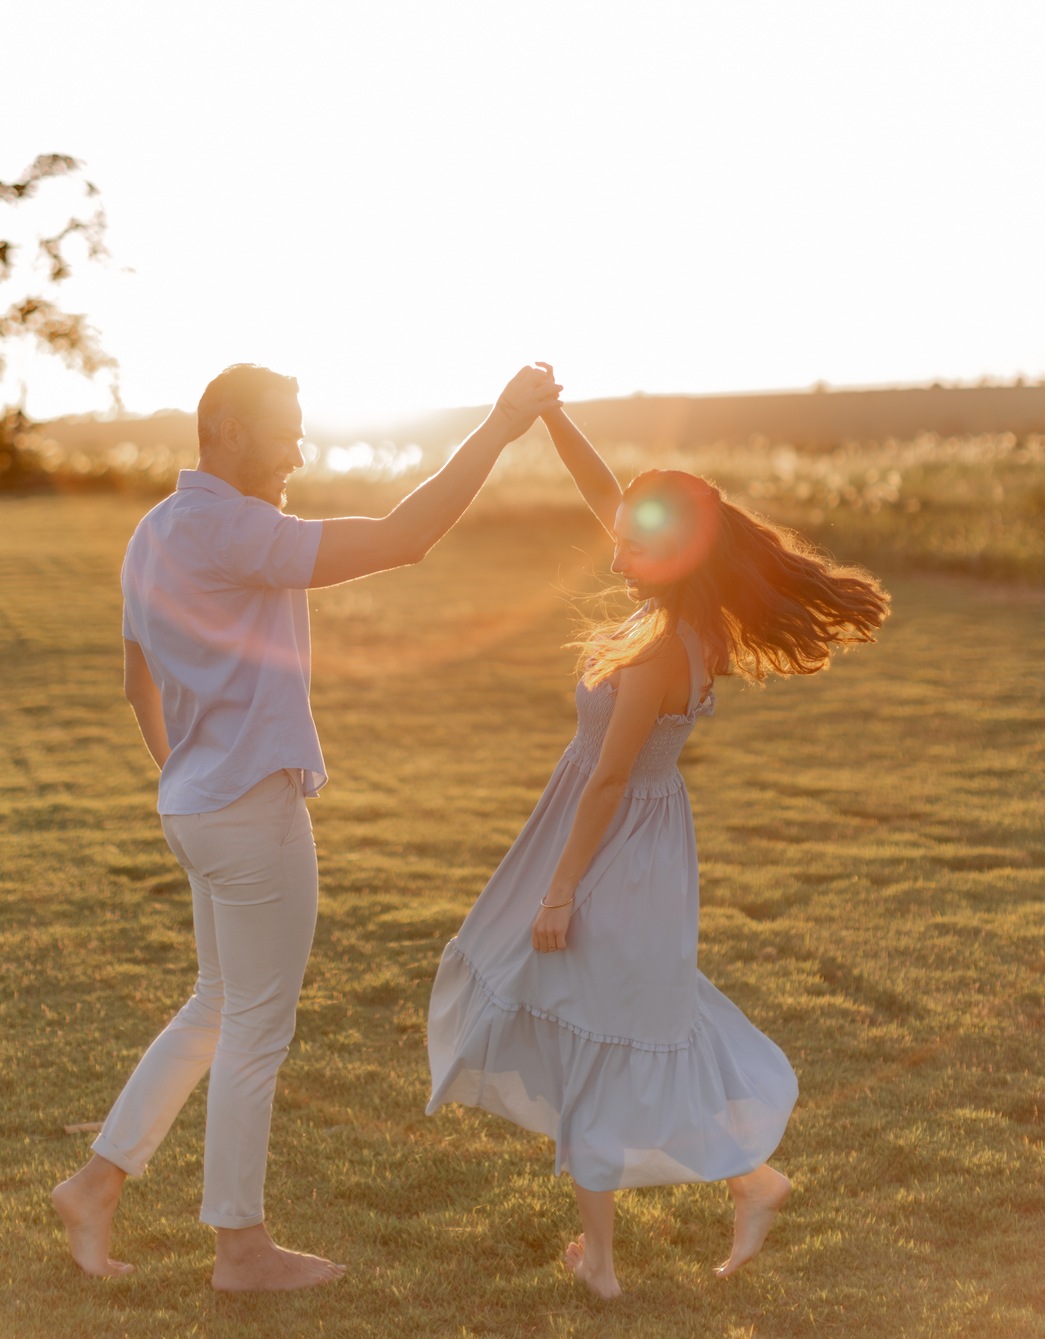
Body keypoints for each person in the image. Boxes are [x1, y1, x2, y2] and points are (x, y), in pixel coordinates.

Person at [52, 359, 561, 1292]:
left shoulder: (155, 531)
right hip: (247, 812)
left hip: (196, 807)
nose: (299, 447)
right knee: (256, 1029)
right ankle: (239, 1248)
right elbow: (405, 538)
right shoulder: (234, 530)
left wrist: (192, 777)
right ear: (231, 434)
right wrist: (498, 428)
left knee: (216, 1007)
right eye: (285, 429)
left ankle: (94, 1185)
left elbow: (136, 682)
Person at [425, 400, 889, 1299]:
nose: (615, 553)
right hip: (629, 836)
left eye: (635, 545)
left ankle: (605, 1258)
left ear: (674, 554)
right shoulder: (684, 602)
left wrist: (559, 891)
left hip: (616, 844)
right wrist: (550, 416)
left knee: (606, 1029)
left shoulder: (658, 649)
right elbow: (610, 497)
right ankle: (749, 1182)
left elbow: (606, 778)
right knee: (626, 1017)